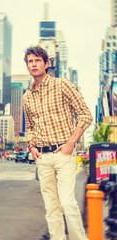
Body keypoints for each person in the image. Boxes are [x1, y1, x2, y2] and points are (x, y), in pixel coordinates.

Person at [22, 45, 93, 240]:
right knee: (52, 209)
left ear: (46, 63)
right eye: (30, 61)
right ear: (27, 66)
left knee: (68, 204)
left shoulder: (62, 85)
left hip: (64, 154)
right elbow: (29, 127)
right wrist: (32, 146)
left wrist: (71, 143)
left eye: (37, 60)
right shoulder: (27, 96)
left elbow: (86, 115)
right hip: (42, 158)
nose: (34, 64)